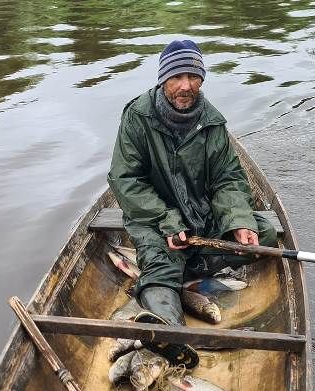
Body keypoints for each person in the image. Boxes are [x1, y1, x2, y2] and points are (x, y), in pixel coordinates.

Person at [107, 38, 278, 329]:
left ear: (201, 79)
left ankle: (182, 269)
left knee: (264, 235)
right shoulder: (137, 117)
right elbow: (125, 181)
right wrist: (167, 219)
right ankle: (173, 332)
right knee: (161, 265)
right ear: (163, 79)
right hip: (153, 221)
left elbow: (229, 178)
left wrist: (239, 221)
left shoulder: (212, 124)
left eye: (193, 76)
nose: (186, 85)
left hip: (201, 218)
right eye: (177, 77)